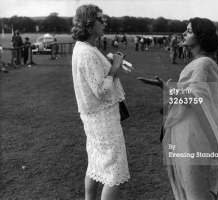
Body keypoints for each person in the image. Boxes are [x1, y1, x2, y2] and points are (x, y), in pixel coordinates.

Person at [138, 17, 218, 200]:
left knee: (194, 188)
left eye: (189, 31)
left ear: (200, 37)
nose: (184, 34)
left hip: (193, 132)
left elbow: (194, 99)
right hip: (189, 129)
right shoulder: (201, 62)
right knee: (191, 185)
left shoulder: (203, 64)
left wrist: (166, 88)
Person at [71, 4, 130, 200]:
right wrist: (115, 66)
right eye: (100, 19)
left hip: (94, 117)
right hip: (102, 119)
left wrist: (110, 60)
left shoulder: (85, 48)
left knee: (96, 163)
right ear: (88, 24)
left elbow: (95, 77)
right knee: (114, 171)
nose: (105, 22)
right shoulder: (87, 52)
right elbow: (102, 90)